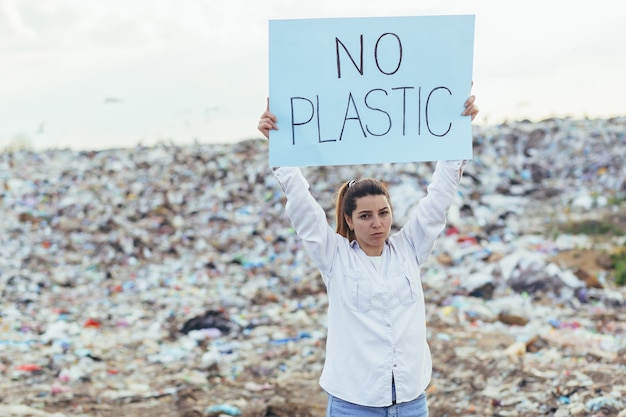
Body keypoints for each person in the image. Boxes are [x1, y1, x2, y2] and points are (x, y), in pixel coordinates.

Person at [258, 95, 479, 416]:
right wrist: (279, 146)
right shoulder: (334, 257)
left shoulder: (409, 248)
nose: (377, 223)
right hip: (354, 403)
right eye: (365, 216)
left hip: (411, 401)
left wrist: (459, 127)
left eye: (383, 213)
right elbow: (302, 205)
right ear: (348, 219)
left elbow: (439, 197)